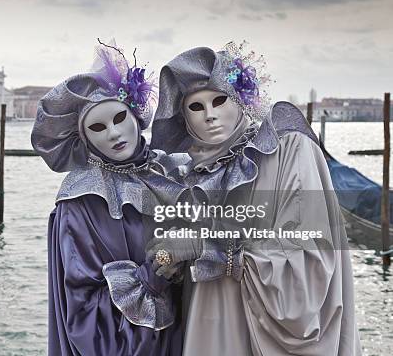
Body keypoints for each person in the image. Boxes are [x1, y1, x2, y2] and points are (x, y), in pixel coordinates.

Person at [148, 42, 361, 355]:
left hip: (265, 336)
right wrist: (173, 261)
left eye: (219, 100)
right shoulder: (185, 174)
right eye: (196, 106)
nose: (209, 115)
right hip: (207, 326)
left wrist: (207, 248)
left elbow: (309, 258)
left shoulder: (288, 149)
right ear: (183, 118)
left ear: (240, 99)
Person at [31, 41, 187, 355]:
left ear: (137, 116)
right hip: (137, 344)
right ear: (84, 138)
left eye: (118, 119)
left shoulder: (173, 169)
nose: (114, 134)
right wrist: (153, 277)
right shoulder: (80, 201)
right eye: (98, 127)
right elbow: (83, 307)